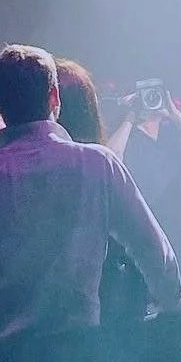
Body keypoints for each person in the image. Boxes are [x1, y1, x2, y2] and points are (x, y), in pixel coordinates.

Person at [0, 45, 181, 361]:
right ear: (54, 97)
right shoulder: (97, 165)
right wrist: (172, 299)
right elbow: (151, 247)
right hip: (67, 361)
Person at [55, 59, 151, 325]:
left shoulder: (18, 162)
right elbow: (145, 239)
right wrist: (172, 297)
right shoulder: (96, 162)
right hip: (96, 306)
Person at [107, 82, 181, 213]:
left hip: (171, 212)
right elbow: (110, 158)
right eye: (145, 95)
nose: (150, 98)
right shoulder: (126, 134)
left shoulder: (172, 132)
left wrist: (173, 112)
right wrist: (131, 116)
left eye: (155, 94)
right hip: (138, 213)